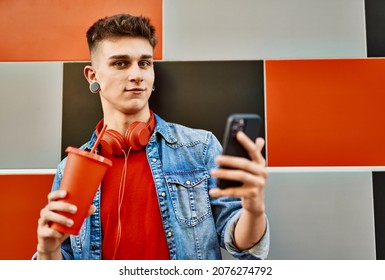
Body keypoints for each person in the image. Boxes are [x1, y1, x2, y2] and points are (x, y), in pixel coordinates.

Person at [35, 13, 269, 260]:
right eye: (121, 63)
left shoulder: (199, 148)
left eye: (144, 63)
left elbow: (242, 246)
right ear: (93, 76)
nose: (137, 75)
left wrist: (254, 209)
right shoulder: (71, 169)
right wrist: (47, 251)